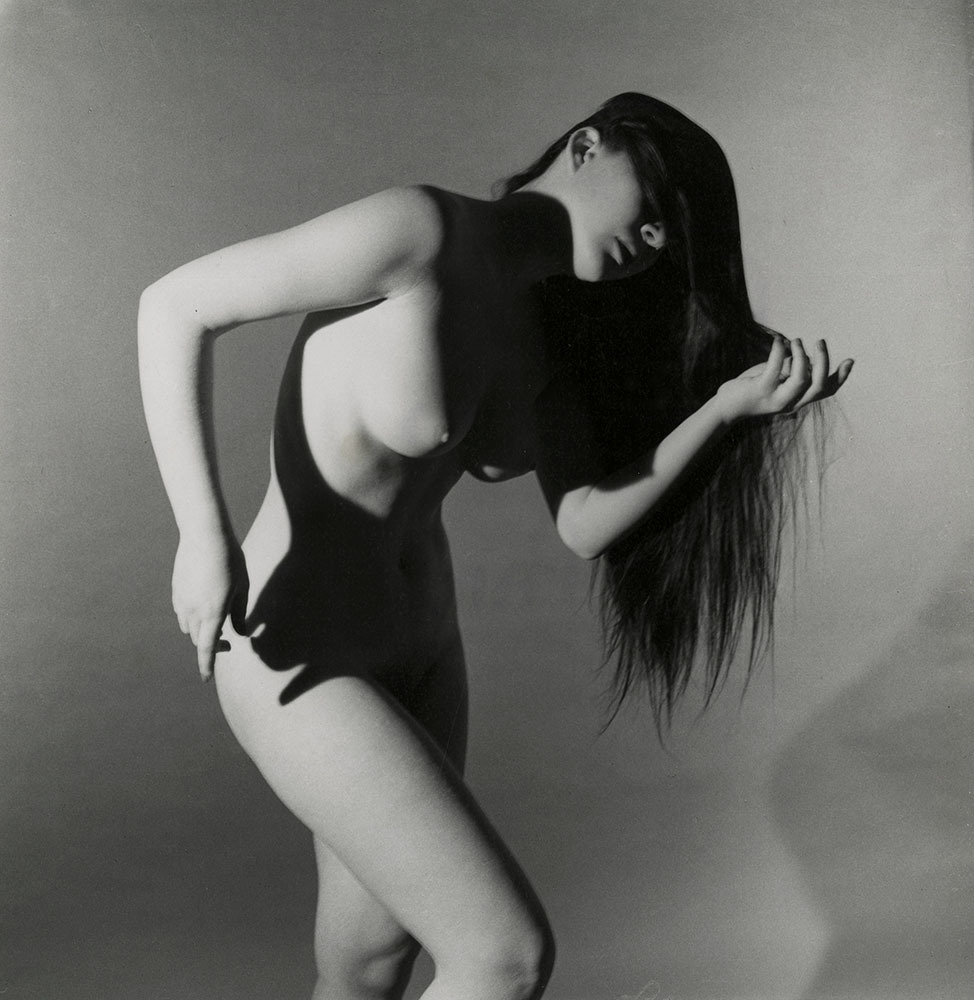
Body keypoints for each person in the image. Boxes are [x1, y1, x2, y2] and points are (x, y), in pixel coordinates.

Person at [138, 92, 852, 1000]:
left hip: (426, 651)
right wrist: (202, 532)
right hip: (298, 638)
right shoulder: (421, 232)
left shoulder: (548, 331)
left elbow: (582, 520)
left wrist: (720, 412)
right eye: (657, 207)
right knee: (503, 956)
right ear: (586, 146)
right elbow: (175, 306)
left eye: (675, 238)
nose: (657, 242)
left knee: (366, 965)